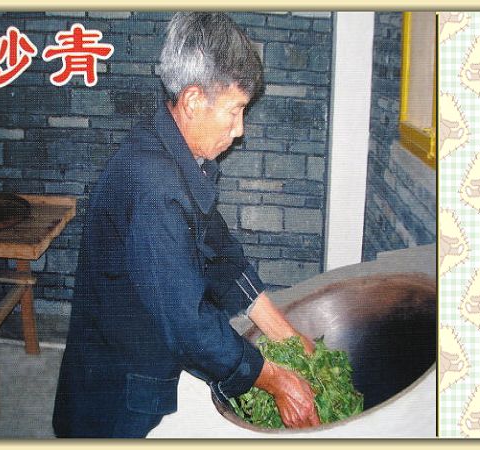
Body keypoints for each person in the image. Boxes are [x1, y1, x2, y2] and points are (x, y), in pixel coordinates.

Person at [52, 12, 320, 438]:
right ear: (194, 100)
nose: (240, 130)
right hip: (120, 388)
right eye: (234, 111)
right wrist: (277, 380)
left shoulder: (172, 151)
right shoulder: (155, 186)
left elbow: (221, 253)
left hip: (143, 352)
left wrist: (287, 337)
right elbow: (188, 325)